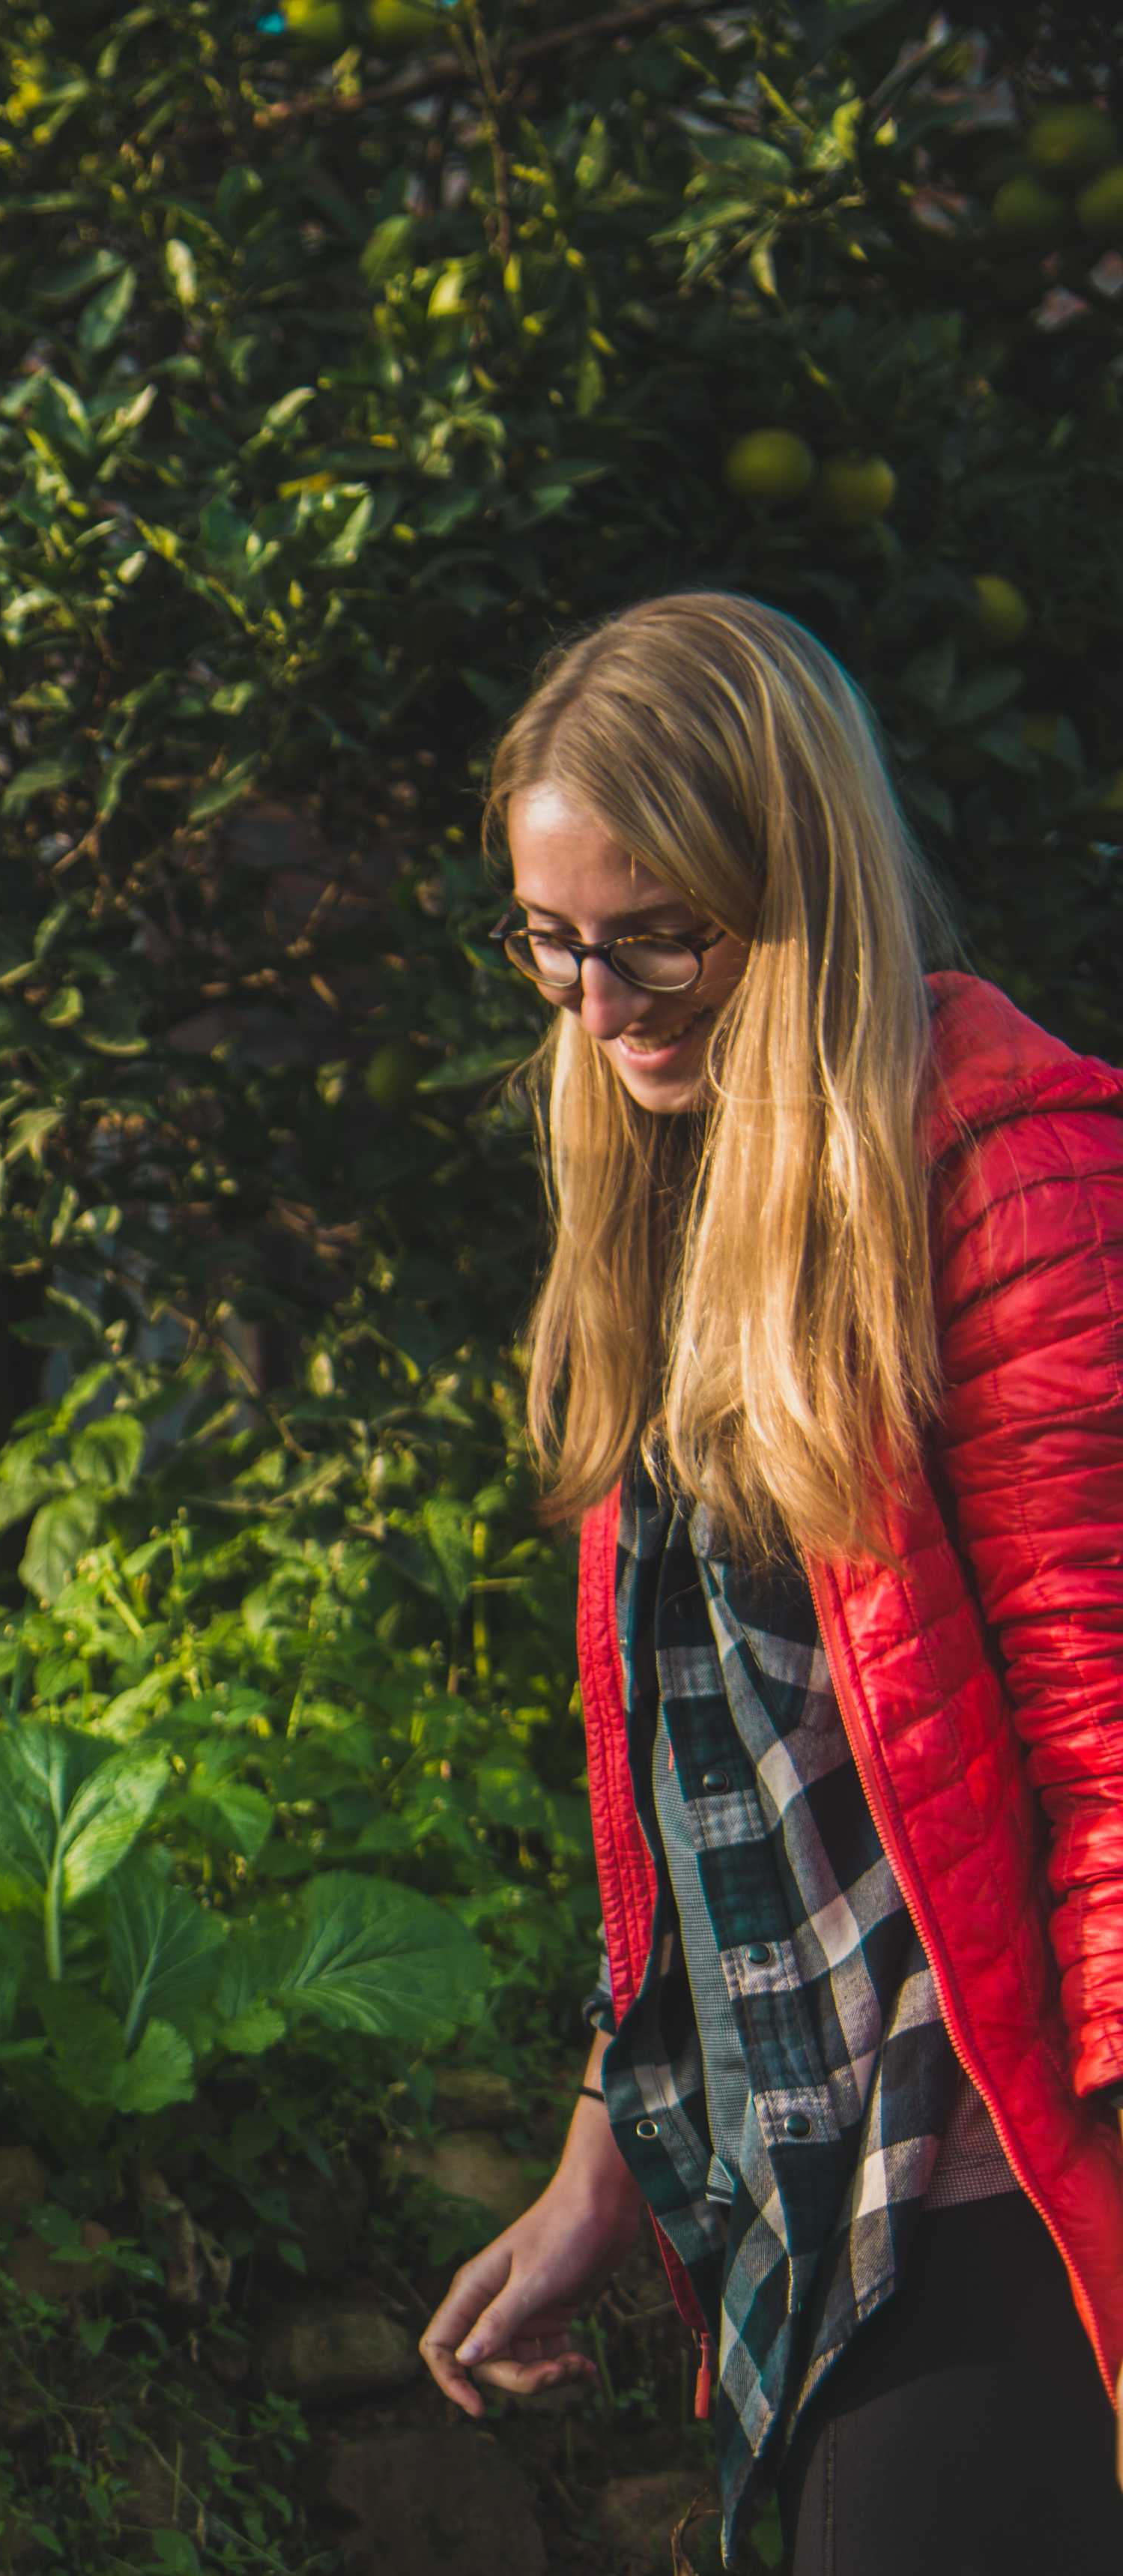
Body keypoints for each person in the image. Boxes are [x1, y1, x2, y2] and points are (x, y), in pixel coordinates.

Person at [415, 593, 1123, 2569]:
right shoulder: (656, 1211)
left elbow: (1110, 1729)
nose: (605, 1002)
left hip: (993, 2192)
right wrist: (603, 2169)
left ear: (795, 888)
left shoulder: (1008, 1180)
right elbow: (695, 1798)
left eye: (660, 937)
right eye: (555, 944)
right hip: (801, 2194)